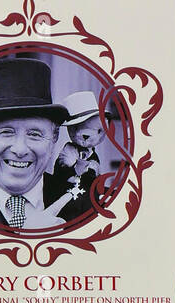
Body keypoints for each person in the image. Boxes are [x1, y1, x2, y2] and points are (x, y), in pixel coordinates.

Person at [0, 59, 75, 231]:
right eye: (6, 132)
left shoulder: (92, 206)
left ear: (54, 138)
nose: (21, 149)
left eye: (34, 134)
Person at [44, 91, 122, 222]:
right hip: (66, 202)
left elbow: (94, 177)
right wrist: (73, 170)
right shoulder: (67, 151)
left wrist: (90, 172)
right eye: (76, 128)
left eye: (98, 131)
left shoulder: (93, 155)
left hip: (87, 201)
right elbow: (60, 173)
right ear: (71, 129)